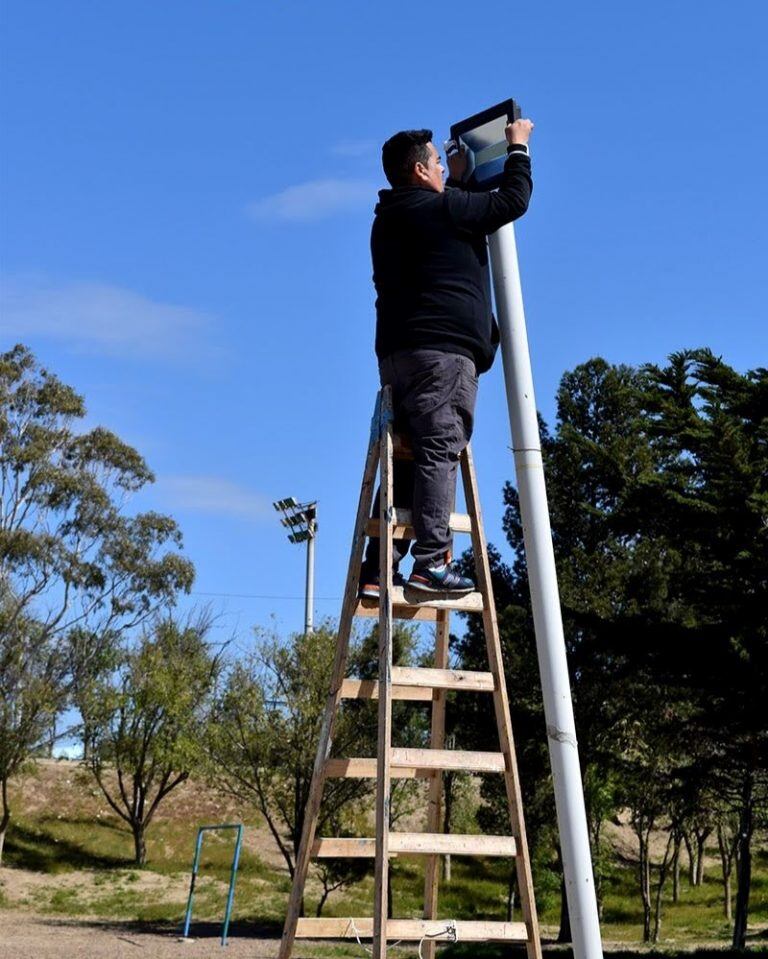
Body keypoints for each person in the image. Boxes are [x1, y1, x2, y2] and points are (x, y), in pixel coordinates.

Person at [359, 118, 534, 597]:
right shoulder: (443, 210)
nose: (442, 166)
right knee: (439, 448)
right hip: (444, 356)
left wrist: (456, 180)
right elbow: (510, 202)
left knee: (406, 460)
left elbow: (444, 217)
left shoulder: (390, 219)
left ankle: (378, 568)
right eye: (437, 161)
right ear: (419, 171)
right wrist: (516, 149)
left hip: (398, 357)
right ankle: (431, 563)